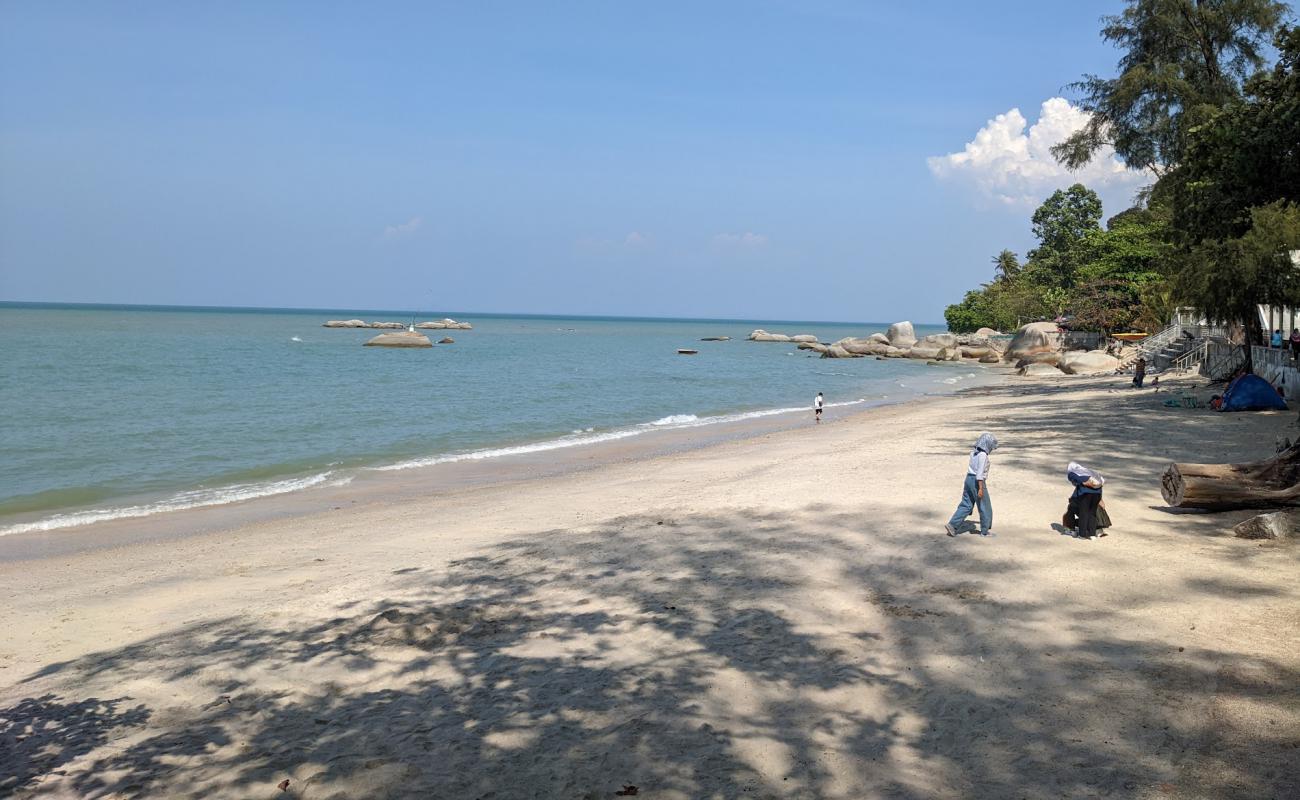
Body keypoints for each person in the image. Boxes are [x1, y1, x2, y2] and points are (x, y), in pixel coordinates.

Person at [945, 432, 997, 537]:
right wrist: (981, 489)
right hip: (977, 482)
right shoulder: (983, 455)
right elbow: (979, 474)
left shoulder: (973, 453)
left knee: (966, 504)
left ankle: (952, 525)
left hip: (968, 479)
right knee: (985, 506)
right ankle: (985, 531)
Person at [1065, 462, 1105, 539]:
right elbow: (1101, 481)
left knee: (1084, 513)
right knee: (1092, 514)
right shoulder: (1088, 471)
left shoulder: (1072, 473)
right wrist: (1100, 498)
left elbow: (1074, 479)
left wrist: (1085, 483)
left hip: (1085, 494)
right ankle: (1092, 534)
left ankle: (1082, 535)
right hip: (1097, 494)